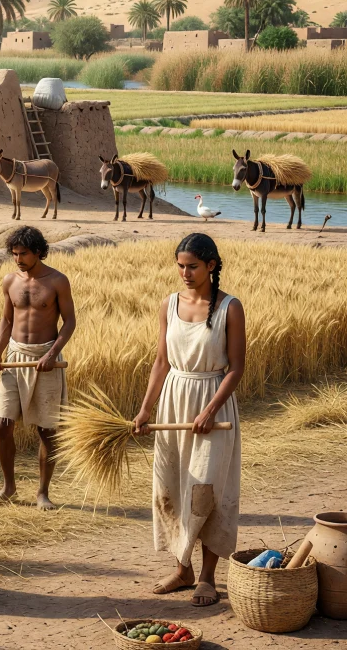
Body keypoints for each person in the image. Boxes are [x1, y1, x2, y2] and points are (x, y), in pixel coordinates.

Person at [134, 233, 244, 608]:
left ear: (211, 266)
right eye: (180, 266)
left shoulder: (230, 308)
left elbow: (236, 368)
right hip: (174, 403)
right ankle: (182, 568)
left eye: (192, 266)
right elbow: (161, 362)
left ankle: (209, 576)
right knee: (174, 485)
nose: (185, 273)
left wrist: (210, 410)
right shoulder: (168, 304)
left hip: (212, 405)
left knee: (208, 489)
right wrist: (146, 409)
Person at [0, 226, 76, 511]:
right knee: (2, 423)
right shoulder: (9, 281)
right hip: (15, 358)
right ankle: (9, 487)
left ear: (38, 251)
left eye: (23, 253)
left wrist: (52, 353)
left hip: (45, 360)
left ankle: (42, 492)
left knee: (47, 430)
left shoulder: (57, 281)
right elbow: (6, 321)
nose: (18, 259)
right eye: (14, 254)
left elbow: (70, 322)